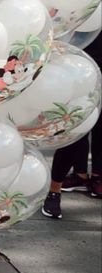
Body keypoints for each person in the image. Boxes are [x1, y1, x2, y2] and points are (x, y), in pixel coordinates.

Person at [42, 31, 101, 219]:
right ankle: (55, 190)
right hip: (80, 67)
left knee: (88, 125)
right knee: (77, 125)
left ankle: (88, 178)